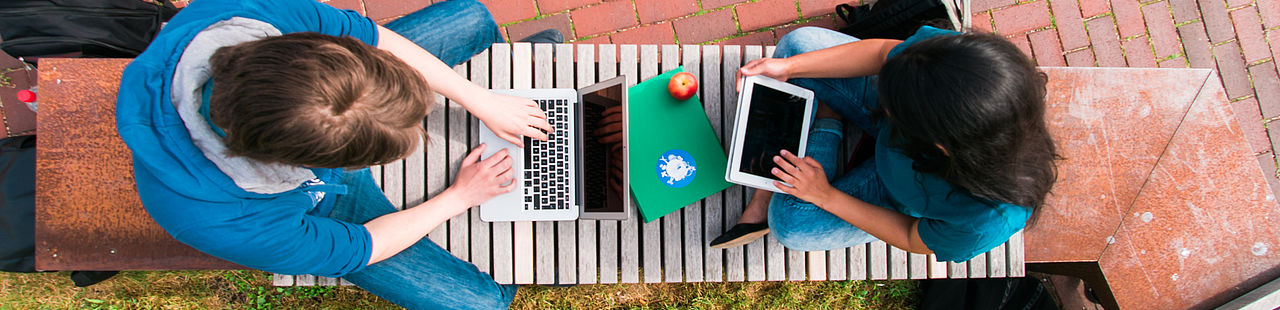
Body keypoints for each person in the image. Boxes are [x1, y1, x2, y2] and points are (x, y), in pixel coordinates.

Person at [116, 0, 560, 308]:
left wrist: (478, 98)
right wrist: (459, 197)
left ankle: (513, 69)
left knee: (471, 16)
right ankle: (533, 255)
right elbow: (363, 247)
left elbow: (365, 34)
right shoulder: (218, 219)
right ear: (325, 165)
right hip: (323, 201)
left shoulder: (244, 13)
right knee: (479, 304)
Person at [708, 26, 1058, 264]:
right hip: (912, 138)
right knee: (798, 45)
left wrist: (824, 195)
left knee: (791, 225)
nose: (882, 102)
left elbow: (909, 236)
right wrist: (787, 66)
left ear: (940, 145)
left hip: (895, 193)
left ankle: (826, 122)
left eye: (892, 106)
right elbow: (883, 53)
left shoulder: (985, 219)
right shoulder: (959, 65)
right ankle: (823, 119)